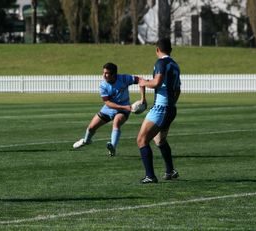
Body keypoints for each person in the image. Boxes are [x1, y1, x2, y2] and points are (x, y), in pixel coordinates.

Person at [73, 62, 145, 156]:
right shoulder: (103, 85)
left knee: (116, 122)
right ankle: (86, 141)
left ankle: (113, 148)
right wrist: (124, 107)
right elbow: (107, 103)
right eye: (103, 73)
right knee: (91, 128)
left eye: (107, 73)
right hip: (109, 108)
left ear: (114, 74)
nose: (104, 75)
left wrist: (143, 99)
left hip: (123, 110)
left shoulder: (124, 78)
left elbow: (141, 80)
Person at [137, 38, 181, 184]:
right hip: (171, 108)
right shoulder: (175, 65)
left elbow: (157, 83)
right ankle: (170, 171)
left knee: (142, 140)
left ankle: (150, 176)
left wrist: (143, 82)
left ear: (157, 50)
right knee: (159, 139)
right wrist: (171, 104)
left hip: (161, 108)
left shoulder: (161, 63)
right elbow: (177, 89)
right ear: (171, 50)